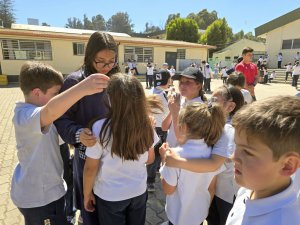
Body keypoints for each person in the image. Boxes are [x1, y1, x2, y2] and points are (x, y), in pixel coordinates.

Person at [11, 61, 109, 225]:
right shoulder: (24, 116)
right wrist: (82, 88)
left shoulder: (43, 118)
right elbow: (50, 110)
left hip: (51, 192)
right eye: (55, 94)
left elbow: (60, 132)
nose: (58, 98)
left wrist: (79, 134)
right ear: (37, 93)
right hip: (39, 200)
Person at [54, 31, 120, 225]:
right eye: (100, 61)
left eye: (112, 61)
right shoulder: (75, 81)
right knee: (89, 205)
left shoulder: (117, 80)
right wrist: (77, 133)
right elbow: (60, 117)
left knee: (111, 206)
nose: (106, 67)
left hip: (115, 155)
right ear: (90, 56)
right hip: (86, 154)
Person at [161, 85, 245, 225]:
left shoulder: (227, 130)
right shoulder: (214, 127)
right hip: (209, 194)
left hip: (225, 193)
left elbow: (213, 165)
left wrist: (172, 162)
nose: (209, 103)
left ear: (230, 107)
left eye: (214, 99)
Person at [83, 74, 157, 225]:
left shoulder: (99, 128)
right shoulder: (147, 124)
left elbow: (90, 169)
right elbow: (150, 159)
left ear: (110, 98)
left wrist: (86, 194)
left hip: (110, 196)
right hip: (138, 192)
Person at [226, 96, 300, 225]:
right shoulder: (248, 189)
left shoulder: (283, 220)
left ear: (287, 165)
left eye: (248, 152)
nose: (233, 157)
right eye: (237, 145)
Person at [160, 102, 226, 225]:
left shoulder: (174, 155)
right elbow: (211, 188)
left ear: (184, 127)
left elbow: (168, 189)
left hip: (177, 216)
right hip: (199, 215)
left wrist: (164, 161)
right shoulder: (213, 155)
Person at [162, 67, 206, 148]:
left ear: (199, 86)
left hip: (182, 157)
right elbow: (164, 127)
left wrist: (175, 112)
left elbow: (182, 139)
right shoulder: (180, 101)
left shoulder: (200, 109)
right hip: (170, 153)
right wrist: (172, 109)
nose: (182, 85)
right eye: (181, 82)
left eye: (188, 82)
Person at [147, 69, 171, 192]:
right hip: (160, 127)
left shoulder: (152, 90)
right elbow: (168, 111)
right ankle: (150, 181)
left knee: (155, 152)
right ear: (167, 81)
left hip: (155, 125)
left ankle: (154, 171)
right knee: (156, 154)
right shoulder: (162, 95)